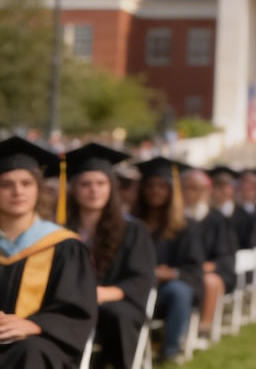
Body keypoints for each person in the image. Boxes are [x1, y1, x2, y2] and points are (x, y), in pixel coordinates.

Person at [0, 136, 97, 368]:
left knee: (29, 350)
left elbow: (76, 309)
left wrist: (35, 325)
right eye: (6, 184)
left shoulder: (64, 245)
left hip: (40, 342)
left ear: (38, 189)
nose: (17, 191)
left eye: (26, 183)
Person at [65, 143, 156, 369]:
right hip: (72, 303)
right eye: (85, 184)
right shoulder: (61, 231)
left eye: (101, 183)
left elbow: (141, 279)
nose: (93, 190)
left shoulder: (133, 230)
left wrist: (102, 293)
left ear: (111, 188)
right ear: (73, 189)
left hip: (117, 304)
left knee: (118, 316)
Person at [133, 157, 204, 363]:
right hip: (136, 287)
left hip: (165, 292)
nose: (156, 191)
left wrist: (171, 273)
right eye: (150, 186)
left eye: (162, 186)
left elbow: (194, 268)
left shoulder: (185, 226)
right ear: (142, 190)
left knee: (179, 291)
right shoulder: (131, 224)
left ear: (172, 191)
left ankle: (170, 350)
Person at [180, 168, 236, 340]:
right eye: (185, 187)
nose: (189, 193)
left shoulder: (216, 219)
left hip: (213, 270)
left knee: (209, 282)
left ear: (205, 191)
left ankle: (203, 329)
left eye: (194, 188)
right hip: (184, 270)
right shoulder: (176, 218)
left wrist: (208, 266)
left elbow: (226, 255)